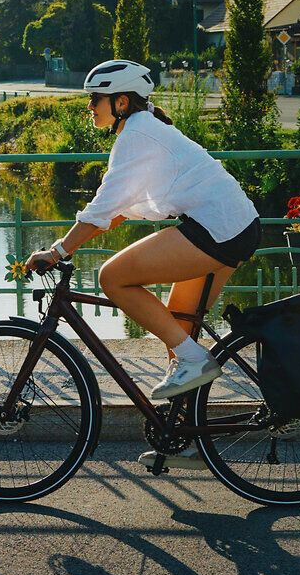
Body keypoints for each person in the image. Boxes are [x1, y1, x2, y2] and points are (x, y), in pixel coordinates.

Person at [26, 59, 263, 470]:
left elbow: (102, 207)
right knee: (179, 324)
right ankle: (188, 441)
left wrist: (59, 251)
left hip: (216, 229)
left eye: (94, 100)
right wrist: (72, 244)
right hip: (234, 227)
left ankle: (193, 360)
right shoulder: (144, 130)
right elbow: (117, 210)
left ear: (120, 101)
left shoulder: (137, 135)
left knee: (112, 277)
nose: (90, 108)